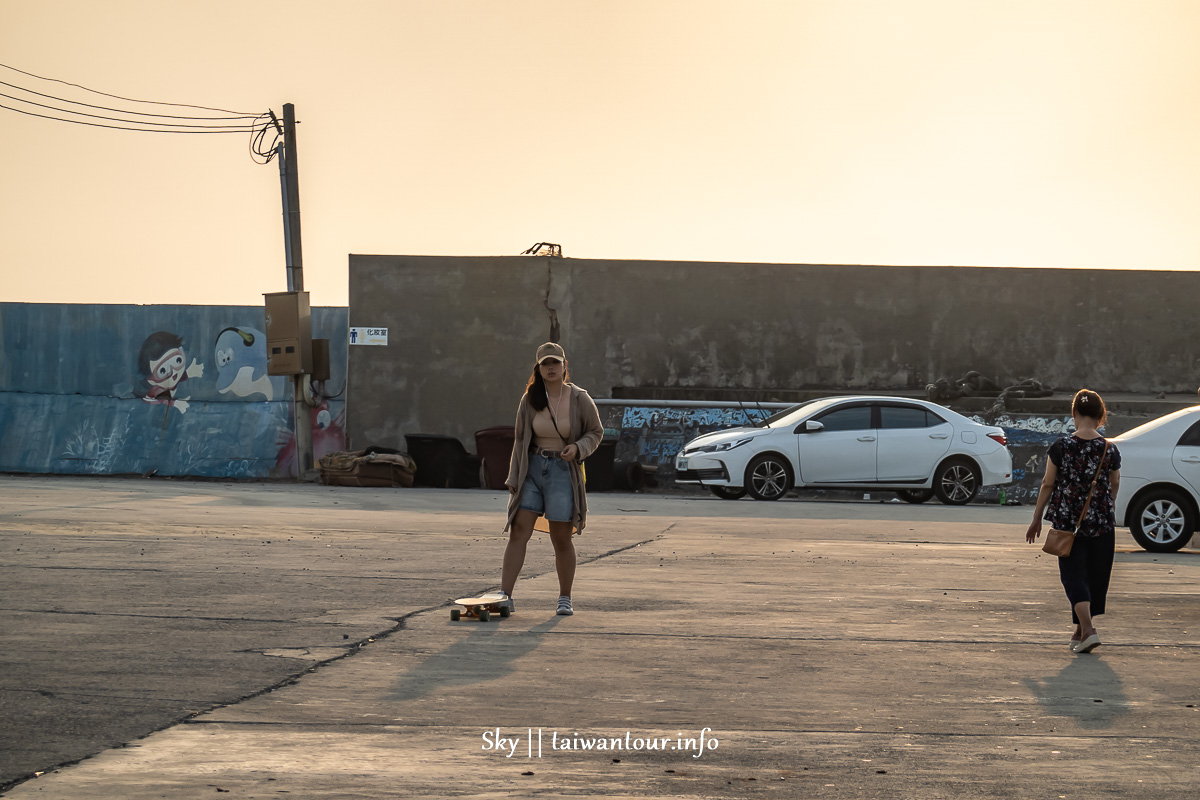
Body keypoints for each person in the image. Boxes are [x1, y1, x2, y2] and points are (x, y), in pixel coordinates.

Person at [497, 342, 604, 616]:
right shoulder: (530, 399)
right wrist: (513, 476)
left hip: (562, 470)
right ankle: (504, 594)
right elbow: (520, 440)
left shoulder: (579, 398)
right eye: (546, 364)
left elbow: (595, 431)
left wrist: (578, 448)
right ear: (539, 368)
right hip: (531, 468)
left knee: (561, 537)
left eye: (556, 363)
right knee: (519, 530)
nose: (551, 368)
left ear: (564, 366)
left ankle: (564, 598)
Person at [1026, 389, 1122, 653]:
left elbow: (1048, 483)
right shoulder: (1109, 449)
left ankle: (1089, 629)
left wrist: (1036, 518)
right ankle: (1080, 632)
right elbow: (1114, 483)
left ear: (1074, 414)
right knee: (1094, 577)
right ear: (1101, 416)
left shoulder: (1061, 446)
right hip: (1102, 523)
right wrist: (1105, 507)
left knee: (1073, 576)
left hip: (1068, 522)